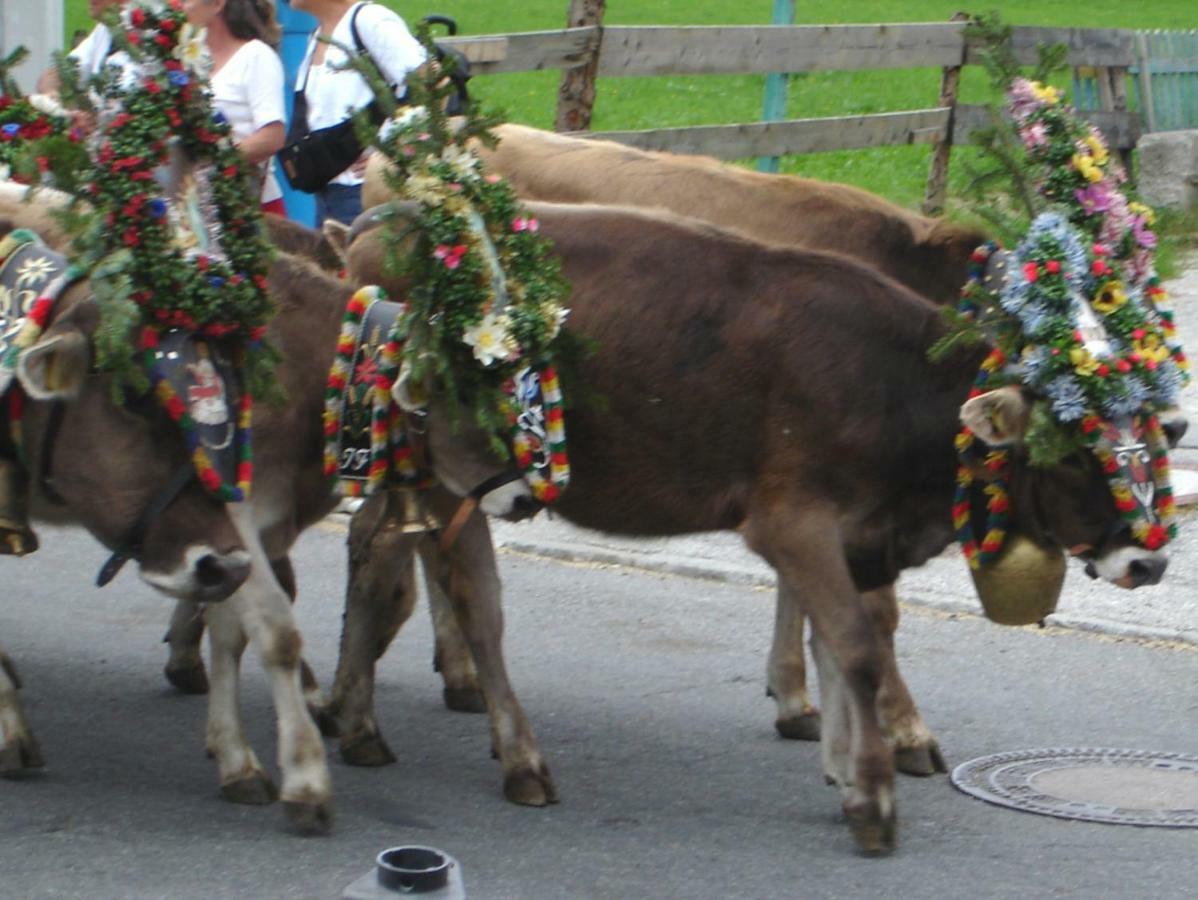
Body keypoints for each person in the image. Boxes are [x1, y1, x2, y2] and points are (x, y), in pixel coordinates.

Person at [287, 0, 427, 226]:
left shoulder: (370, 20)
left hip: (367, 193)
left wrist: (391, 152)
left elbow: (430, 84)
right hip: (327, 195)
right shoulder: (317, 36)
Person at [182, 0, 288, 214]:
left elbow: (272, 137)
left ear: (216, 4)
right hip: (203, 206)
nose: (179, 6)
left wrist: (214, 161)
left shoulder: (256, 56)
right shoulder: (190, 58)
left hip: (250, 208)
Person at [35, 0, 130, 94]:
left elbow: (127, 93)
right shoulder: (103, 29)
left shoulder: (139, 31)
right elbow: (68, 70)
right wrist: (50, 88)